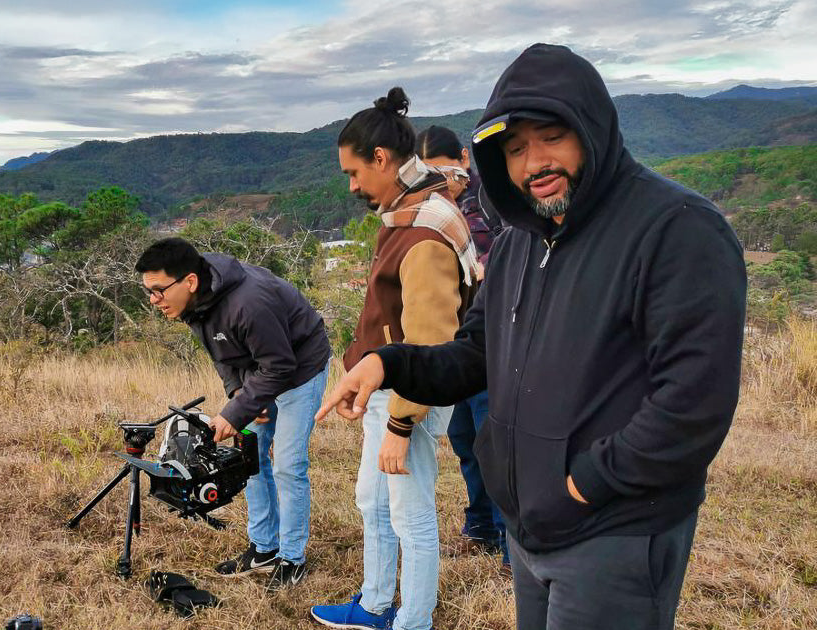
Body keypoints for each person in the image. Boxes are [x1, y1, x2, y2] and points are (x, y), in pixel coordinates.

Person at [318, 44, 746, 630]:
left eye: (551, 136)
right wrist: (388, 364)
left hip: (615, 531)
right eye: (515, 148)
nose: (534, 162)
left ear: (592, 129)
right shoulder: (521, 240)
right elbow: (476, 353)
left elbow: (693, 403)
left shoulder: (676, 229)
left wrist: (586, 484)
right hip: (530, 526)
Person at [310, 88, 478, 630]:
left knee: (411, 514)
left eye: (354, 173)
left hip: (408, 398)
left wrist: (401, 424)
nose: (352, 186)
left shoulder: (425, 230)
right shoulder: (409, 212)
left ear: (381, 158)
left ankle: (414, 621)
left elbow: (431, 344)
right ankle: (376, 603)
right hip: (385, 391)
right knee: (374, 501)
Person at [135, 237, 331, 591]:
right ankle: (264, 548)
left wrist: (235, 413)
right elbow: (221, 354)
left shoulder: (248, 302)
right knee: (248, 459)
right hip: (259, 370)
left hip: (301, 367)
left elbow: (281, 366)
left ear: (189, 281)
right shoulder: (193, 300)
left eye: (159, 290)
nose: (154, 300)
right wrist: (239, 394)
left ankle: (292, 558)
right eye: (149, 292)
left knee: (288, 465)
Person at [413, 125, 509, 567]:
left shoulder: (495, 198)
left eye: (445, 173)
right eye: (429, 176)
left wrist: (482, 265)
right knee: (465, 440)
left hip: (494, 341)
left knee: (495, 444)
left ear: (464, 160)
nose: (440, 183)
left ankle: (511, 544)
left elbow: (519, 246)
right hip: (454, 340)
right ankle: (481, 526)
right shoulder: (431, 209)